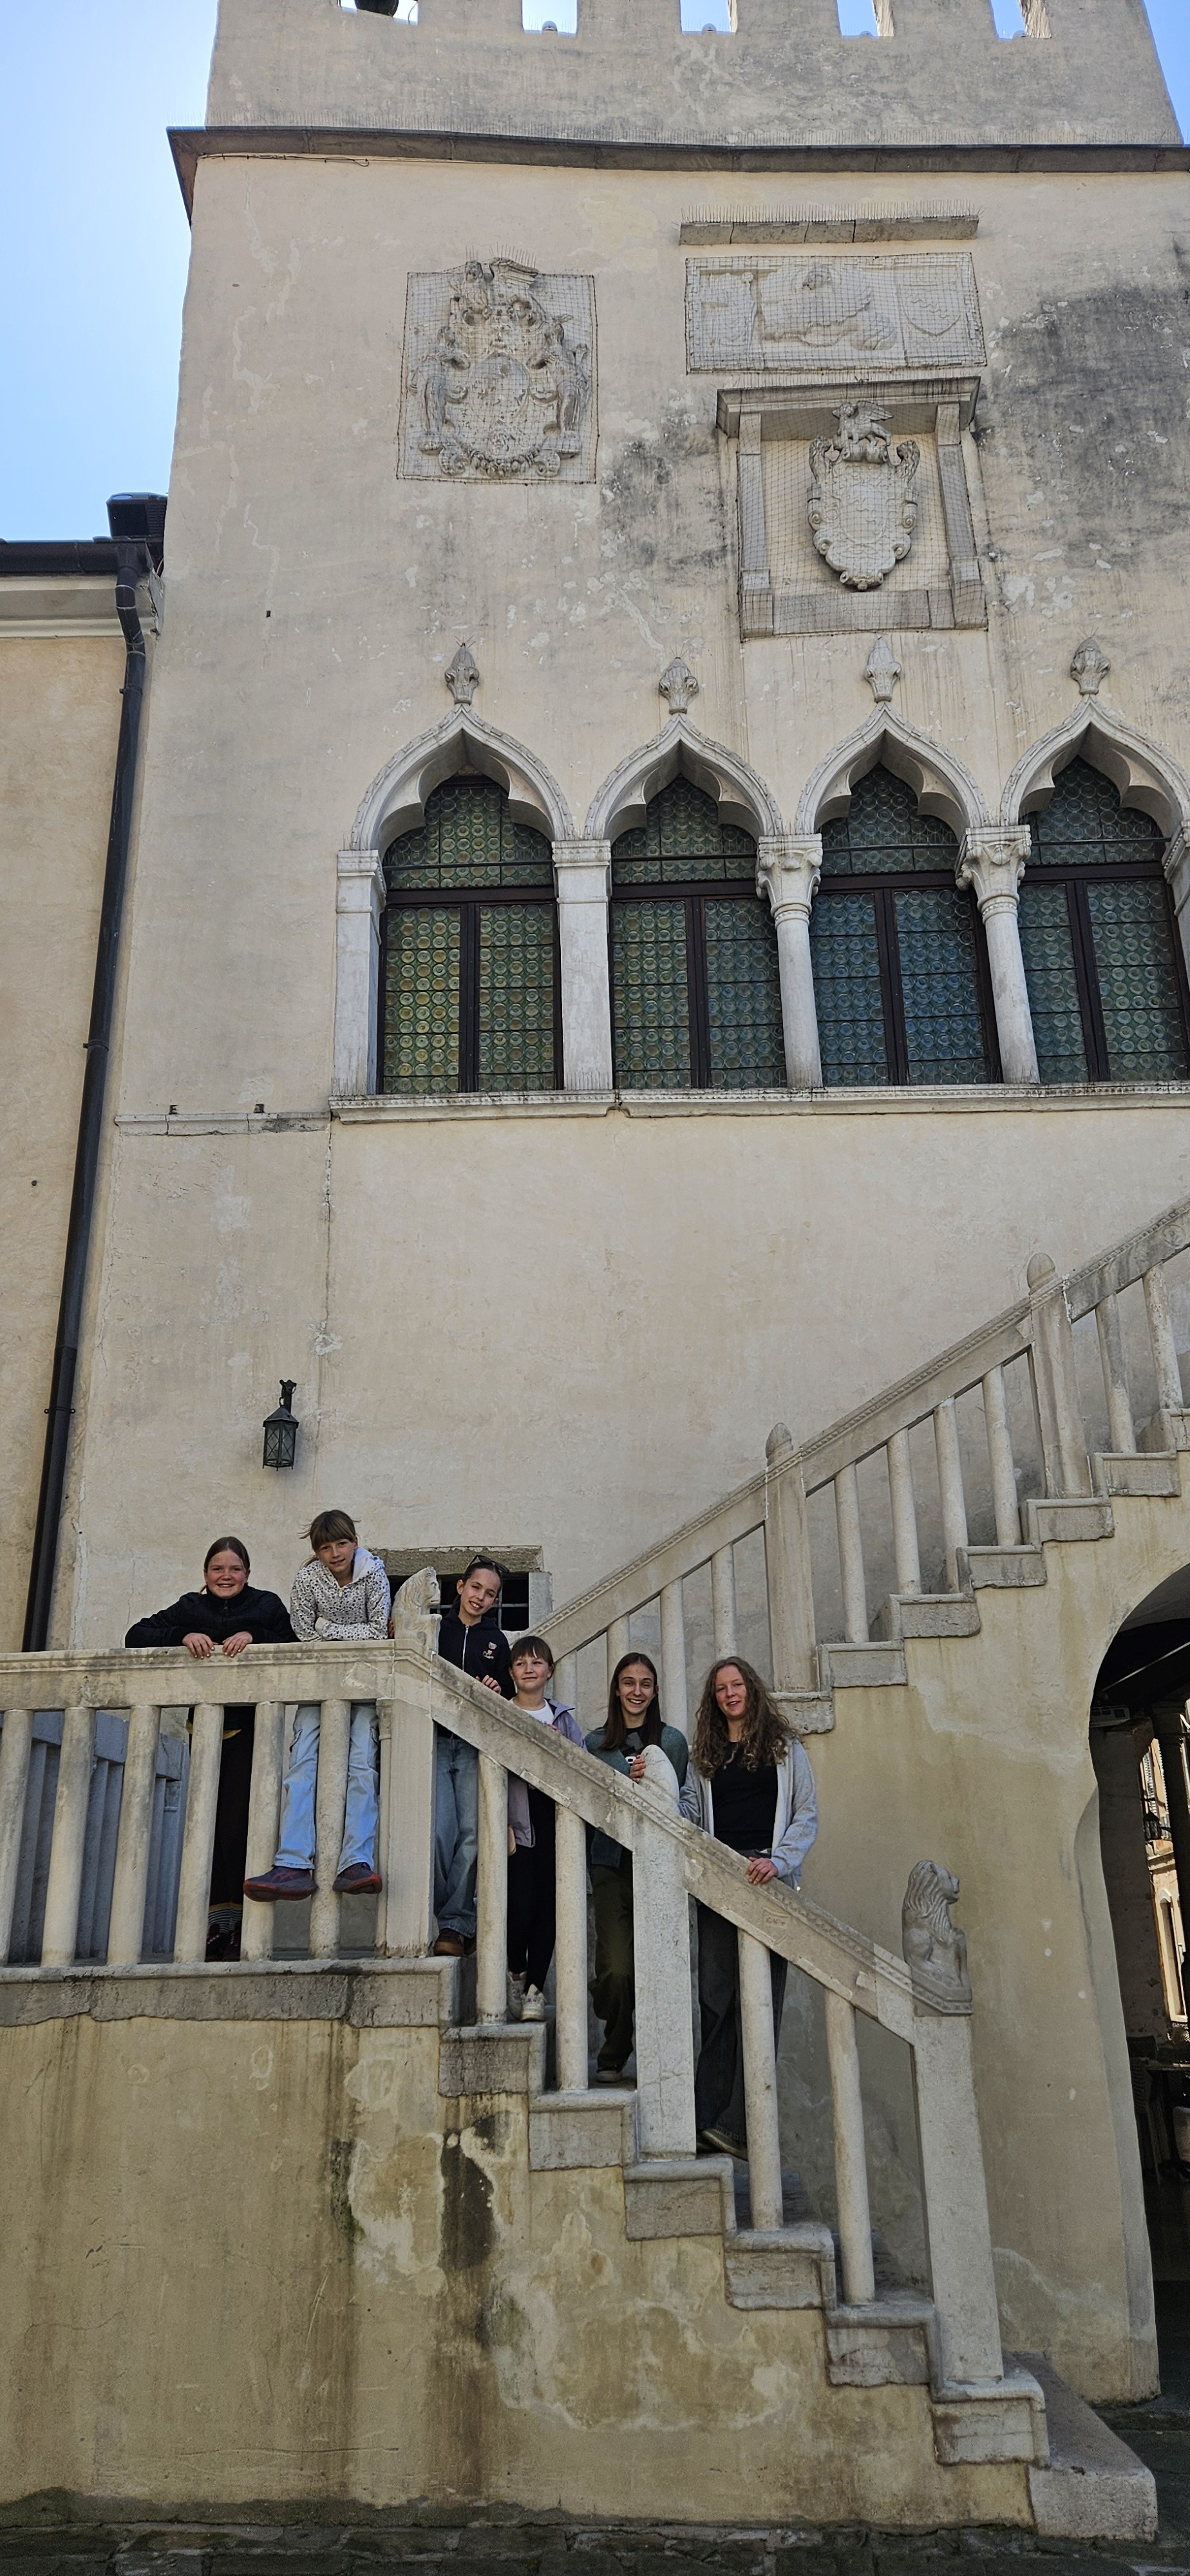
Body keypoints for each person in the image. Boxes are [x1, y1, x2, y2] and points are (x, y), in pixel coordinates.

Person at [125, 1537, 294, 1958]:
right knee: (208, 1828)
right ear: (205, 1574)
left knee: (239, 1828)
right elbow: (136, 1635)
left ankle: (242, 1925)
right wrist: (183, 1635)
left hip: (252, 1731)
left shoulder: (266, 1605)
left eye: (235, 1569)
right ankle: (218, 1926)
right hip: (202, 1733)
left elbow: (293, 1642)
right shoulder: (190, 1606)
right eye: (218, 1569)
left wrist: (253, 1634)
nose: (226, 1576)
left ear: (248, 1574)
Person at [680, 1656, 818, 2162]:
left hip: (768, 1880)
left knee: (760, 2004)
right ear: (714, 1700)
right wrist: (651, 1787)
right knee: (716, 2001)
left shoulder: (786, 1747)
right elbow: (689, 1813)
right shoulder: (705, 1756)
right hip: (721, 1880)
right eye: (721, 1689)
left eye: (737, 1685)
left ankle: (740, 2125)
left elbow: (806, 1812)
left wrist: (779, 1862)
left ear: (751, 1690)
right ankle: (706, 2121)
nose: (730, 1694)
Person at [243, 1511, 390, 1903]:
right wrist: (334, 1633)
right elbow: (303, 1632)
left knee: (362, 1767)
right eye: (326, 1547)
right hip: (316, 1685)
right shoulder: (308, 1578)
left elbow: (378, 1631)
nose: (335, 1553)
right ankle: (293, 1863)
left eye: (342, 1544)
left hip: (363, 1686)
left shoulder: (375, 1574)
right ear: (317, 1551)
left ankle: (355, 1861)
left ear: (354, 1542)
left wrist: (328, 1629)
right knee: (302, 1766)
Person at [585, 1652, 689, 2085]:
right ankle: (616, 2042)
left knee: (658, 1966)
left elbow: (678, 1802)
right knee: (616, 1968)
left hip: (658, 1866)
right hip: (610, 1864)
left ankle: (649, 2054)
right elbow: (590, 1801)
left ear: (656, 1690)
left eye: (645, 1684)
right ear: (616, 1689)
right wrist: (625, 1784)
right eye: (628, 1683)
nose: (637, 1691)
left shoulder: (673, 1742)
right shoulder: (594, 1743)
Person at [422, 1555, 513, 1957]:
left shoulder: (497, 1642)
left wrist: (496, 1691)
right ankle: (445, 1916)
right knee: (440, 1832)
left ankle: (456, 1923)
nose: (481, 1597)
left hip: (475, 1744)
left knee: (473, 1834)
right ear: (460, 1587)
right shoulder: (434, 1629)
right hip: (437, 1740)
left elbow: (509, 1696)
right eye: (476, 1587)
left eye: (490, 1594)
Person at [504, 1634, 585, 2022]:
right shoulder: (502, 1712)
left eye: (537, 1663)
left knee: (548, 1908)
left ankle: (536, 1989)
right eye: (521, 1663)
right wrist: (499, 1822)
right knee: (520, 1906)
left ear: (550, 1671)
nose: (529, 1669)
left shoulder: (563, 1719)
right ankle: (516, 1972)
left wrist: (562, 1749)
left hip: (554, 1822)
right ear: (511, 1672)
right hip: (517, 1822)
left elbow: (584, 1770)